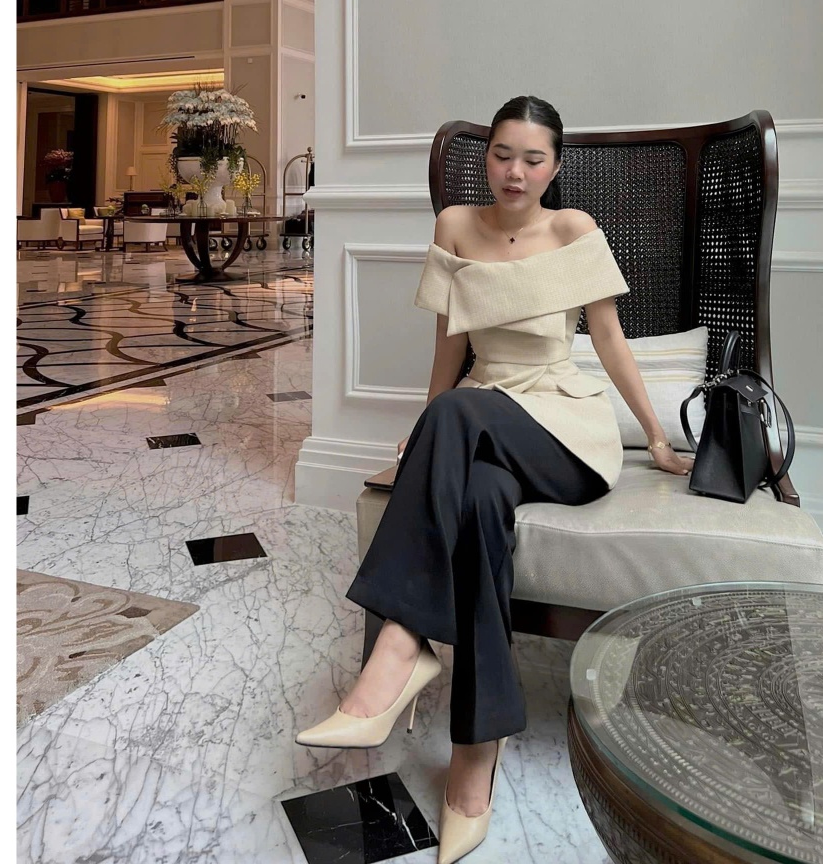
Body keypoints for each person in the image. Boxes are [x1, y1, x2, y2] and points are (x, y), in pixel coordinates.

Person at [296, 95, 692, 863]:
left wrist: (654, 435)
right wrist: (428, 432)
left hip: (564, 430)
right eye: (503, 154)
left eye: (533, 159)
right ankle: (476, 753)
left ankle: (402, 643)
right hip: (482, 416)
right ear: (487, 158)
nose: (515, 171)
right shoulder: (454, 226)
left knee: (456, 414)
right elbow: (450, 343)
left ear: (555, 166)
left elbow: (609, 339)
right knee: (475, 490)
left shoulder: (573, 230)